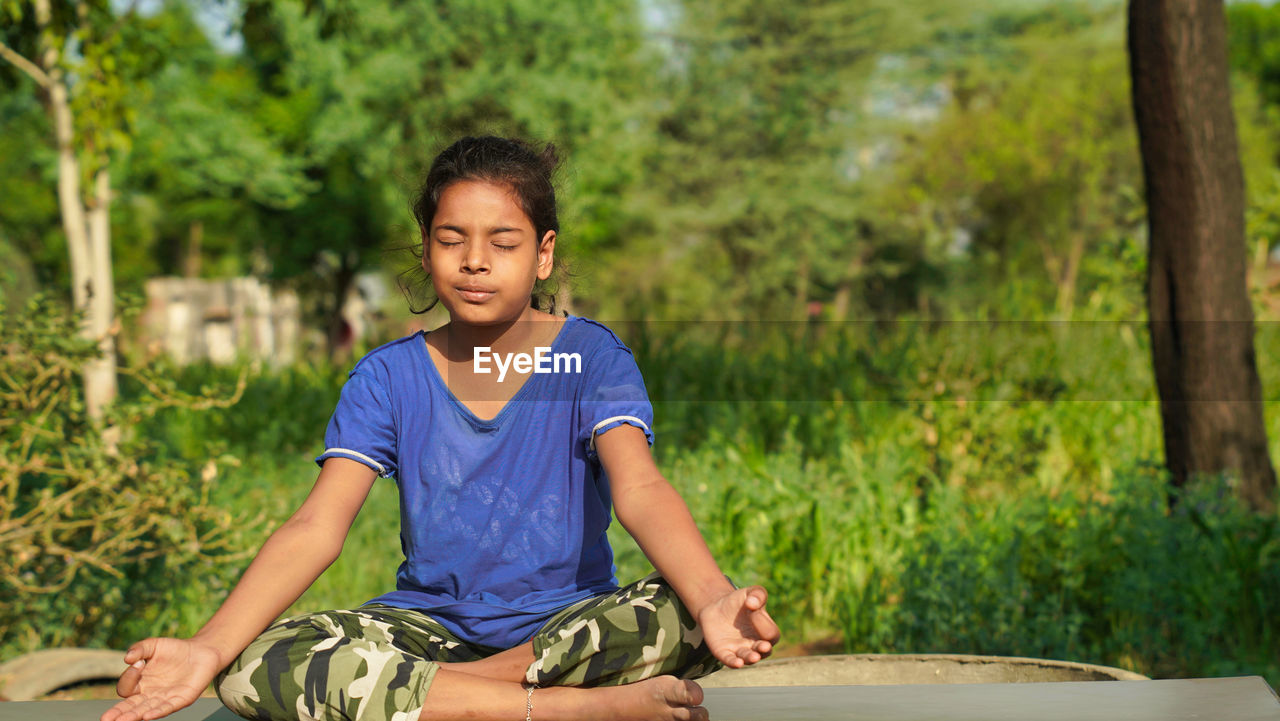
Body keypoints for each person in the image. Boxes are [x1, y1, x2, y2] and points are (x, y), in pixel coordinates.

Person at [101, 136, 779, 721]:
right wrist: (207, 648)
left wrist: (714, 598)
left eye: (503, 243)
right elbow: (316, 527)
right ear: (426, 251)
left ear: (543, 254)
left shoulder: (590, 358)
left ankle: (439, 698)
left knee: (681, 612)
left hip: (569, 628)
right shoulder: (388, 376)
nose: (475, 260)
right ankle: (571, 709)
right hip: (429, 631)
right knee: (258, 663)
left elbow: (641, 489)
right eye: (451, 240)